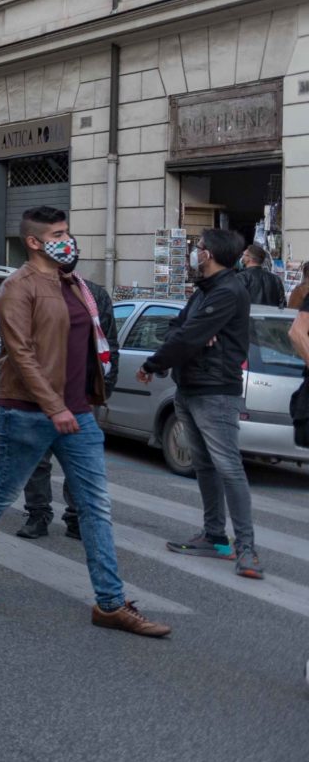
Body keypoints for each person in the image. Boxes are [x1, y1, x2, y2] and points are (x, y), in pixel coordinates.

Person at [0, 207, 172, 638]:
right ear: (34, 241)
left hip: (78, 410)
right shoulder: (17, 288)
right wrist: (55, 407)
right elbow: (22, 355)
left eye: (67, 232)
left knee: (95, 505)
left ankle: (109, 603)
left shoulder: (75, 284)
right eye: (59, 234)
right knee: (1, 492)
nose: (68, 241)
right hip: (29, 410)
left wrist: (83, 399)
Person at [143, 226, 261, 580]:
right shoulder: (205, 291)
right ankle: (214, 537)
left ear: (208, 253)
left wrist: (154, 363)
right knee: (205, 465)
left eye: (198, 247)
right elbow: (181, 329)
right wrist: (191, 335)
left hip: (215, 390)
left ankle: (247, 549)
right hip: (190, 386)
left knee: (228, 467)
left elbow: (189, 335)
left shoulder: (228, 291)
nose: (195, 251)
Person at [18, 265, 118, 540]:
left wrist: (104, 387)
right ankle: (38, 513)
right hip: (41, 389)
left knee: (81, 460)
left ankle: (77, 517)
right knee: (37, 457)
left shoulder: (93, 293)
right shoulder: (31, 291)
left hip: (81, 391)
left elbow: (108, 343)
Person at [236, 242, 285, 308]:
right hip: (271, 316)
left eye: (243, 254)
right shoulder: (276, 279)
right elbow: (282, 305)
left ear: (249, 258)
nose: (242, 257)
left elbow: (235, 301)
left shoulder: (242, 277)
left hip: (249, 316)